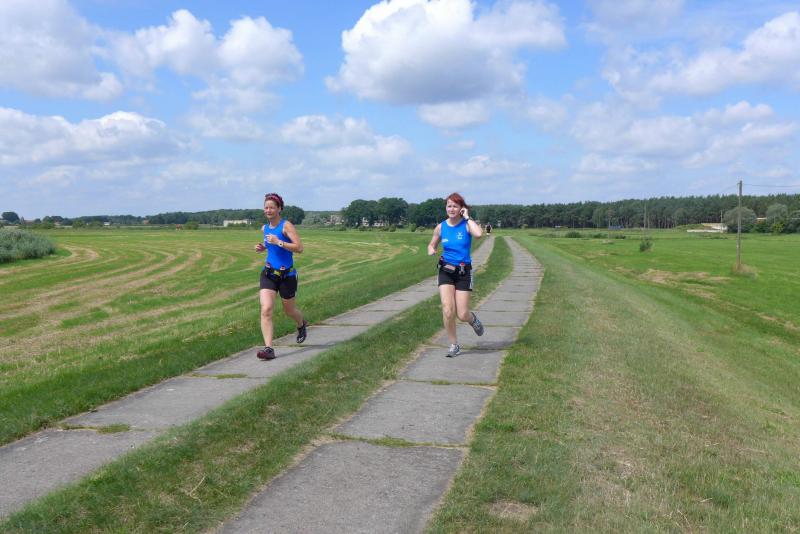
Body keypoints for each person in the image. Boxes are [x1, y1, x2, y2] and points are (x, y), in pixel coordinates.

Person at [427, 192, 484, 357]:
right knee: (447, 309)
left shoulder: (466, 225)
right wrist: (431, 249)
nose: (451, 209)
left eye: (455, 206)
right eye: (449, 206)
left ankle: (472, 320)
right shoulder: (441, 227)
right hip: (445, 270)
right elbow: (432, 244)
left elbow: (479, 234)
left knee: (462, 314)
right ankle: (454, 344)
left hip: (463, 272)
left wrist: (467, 217)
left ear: (461, 208)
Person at [254, 192, 308, 360]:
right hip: (269, 274)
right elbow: (271, 245)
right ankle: (269, 349)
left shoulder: (286, 226)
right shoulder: (264, 228)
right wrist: (263, 247)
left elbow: (299, 248)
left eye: (272, 207)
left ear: (279, 209)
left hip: (287, 276)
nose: (268, 210)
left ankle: (301, 324)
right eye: (266, 207)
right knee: (266, 309)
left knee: (289, 310)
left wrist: (279, 242)